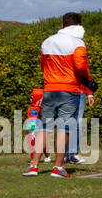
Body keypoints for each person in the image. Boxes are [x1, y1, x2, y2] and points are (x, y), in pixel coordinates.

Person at [30, 13, 97, 179]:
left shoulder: (47, 42)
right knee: (64, 128)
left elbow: (42, 66)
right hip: (69, 89)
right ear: (79, 25)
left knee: (43, 128)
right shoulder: (77, 43)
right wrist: (88, 81)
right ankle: (58, 167)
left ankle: (34, 166)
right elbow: (81, 66)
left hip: (50, 89)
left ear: (62, 25)